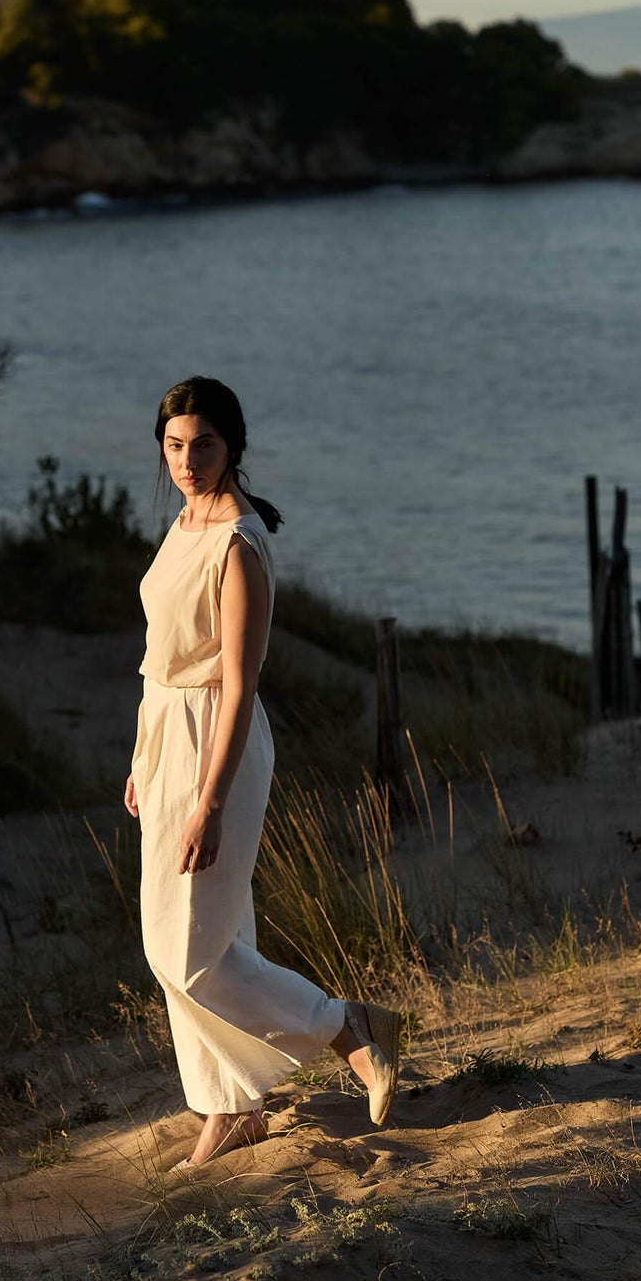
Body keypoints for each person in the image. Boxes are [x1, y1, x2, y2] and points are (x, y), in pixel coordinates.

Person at [124, 375, 401, 1169]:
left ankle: (348, 1025)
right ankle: (233, 1111)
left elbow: (238, 684)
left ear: (232, 446)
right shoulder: (183, 523)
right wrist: (144, 758)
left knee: (188, 955)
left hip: (219, 746)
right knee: (204, 937)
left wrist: (209, 802)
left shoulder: (238, 545)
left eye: (202, 444)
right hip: (168, 739)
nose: (186, 459)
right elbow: (160, 662)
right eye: (174, 445)